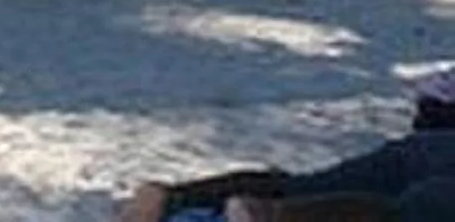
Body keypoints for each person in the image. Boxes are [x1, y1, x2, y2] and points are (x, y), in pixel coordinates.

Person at [118, 71, 455, 221]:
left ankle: (171, 196)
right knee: (413, 208)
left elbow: (433, 104)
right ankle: (278, 216)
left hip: (431, 145)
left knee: (305, 186)